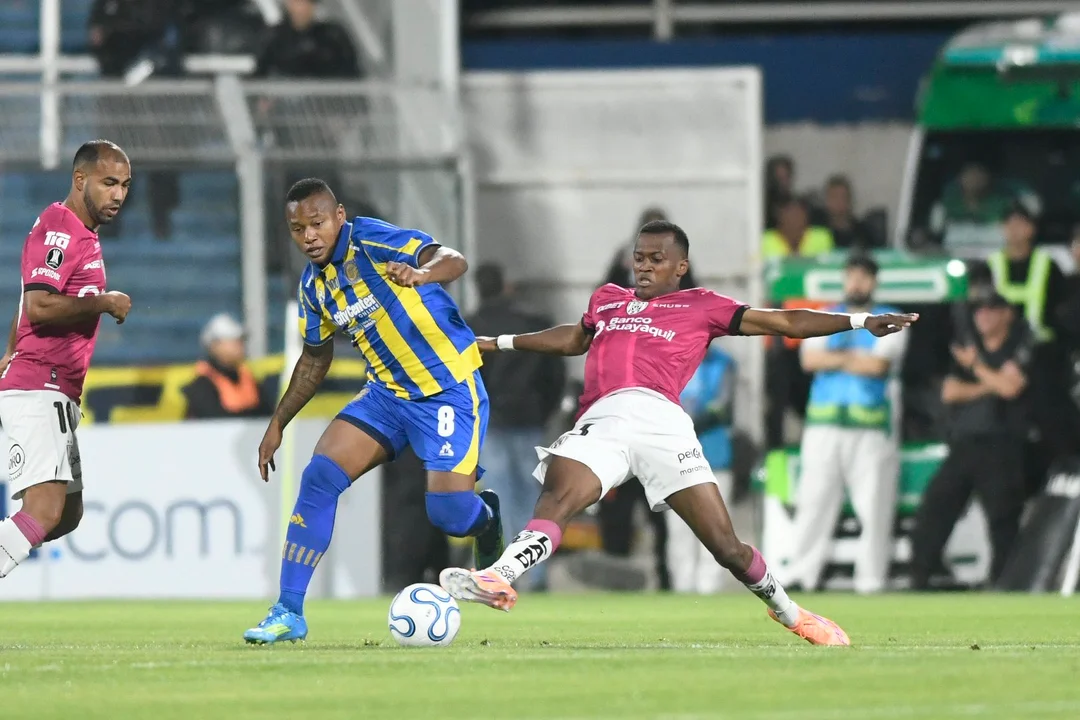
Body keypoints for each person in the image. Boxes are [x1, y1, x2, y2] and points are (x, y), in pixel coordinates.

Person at [439, 220, 918, 646]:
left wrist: (859, 321)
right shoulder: (607, 299)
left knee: (727, 548)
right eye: (639, 258)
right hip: (604, 420)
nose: (644, 267)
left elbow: (784, 321)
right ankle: (499, 576)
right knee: (559, 496)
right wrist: (496, 343)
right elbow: (574, 339)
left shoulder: (702, 306)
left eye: (656, 259)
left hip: (663, 424)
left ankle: (793, 614)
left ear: (680, 267)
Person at [243, 178, 504, 644]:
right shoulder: (314, 287)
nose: (309, 237)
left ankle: (486, 519)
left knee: (449, 515)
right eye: (298, 229)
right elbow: (314, 360)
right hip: (386, 397)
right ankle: (288, 611)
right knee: (319, 477)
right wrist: (278, 423)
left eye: (317, 223)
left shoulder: (371, 239)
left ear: (339, 216)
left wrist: (422, 274)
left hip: (447, 390)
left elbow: (454, 260)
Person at [0, 140, 133, 578]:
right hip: (39, 386)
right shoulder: (61, 230)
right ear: (80, 180)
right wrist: (103, 302)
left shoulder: (79, 231)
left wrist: (10, 348)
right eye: (108, 183)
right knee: (43, 510)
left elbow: (28, 296)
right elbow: (39, 305)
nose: (118, 194)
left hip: (54, 389)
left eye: (125, 185)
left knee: (67, 513)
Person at [780, 254, 907, 594]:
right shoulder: (824, 316)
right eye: (852, 275)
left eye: (864, 276)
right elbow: (810, 360)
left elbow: (878, 366)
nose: (857, 283)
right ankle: (802, 575)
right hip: (824, 425)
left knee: (874, 507)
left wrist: (834, 360)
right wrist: (855, 359)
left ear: (874, 282)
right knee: (813, 502)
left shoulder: (890, 319)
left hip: (870, 427)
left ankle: (871, 580)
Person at [909, 292, 1032, 589]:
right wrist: (991, 381)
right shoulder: (969, 347)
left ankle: (1005, 583)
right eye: (979, 311)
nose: (983, 316)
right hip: (964, 442)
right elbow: (950, 392)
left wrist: (977, 369)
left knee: (1002, 518)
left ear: (1007, 314)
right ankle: (919, 578)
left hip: (1002, 444)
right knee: (935, 507)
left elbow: (1011, 388)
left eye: (991, 309)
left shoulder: (1019, 345)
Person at [466, 263, 566, 590]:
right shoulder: (533, 325)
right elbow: (555, 376)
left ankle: (504, 571)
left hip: (492, 423)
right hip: (530, 421)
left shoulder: (470, 327)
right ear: (506, 286)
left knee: (498, 499)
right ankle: (536, 573)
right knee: (534, 500)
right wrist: (544, 411)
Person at [664, 341, 737, 594]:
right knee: (679, 528)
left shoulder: (723, 364)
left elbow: (723, 406)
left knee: (716, 528)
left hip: (714, 456)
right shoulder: (669, 361)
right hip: (675, 458)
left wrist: (687, 421)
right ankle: (682, 588)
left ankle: (710, 589)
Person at [182, 313, 274, 419]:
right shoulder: (201, 385)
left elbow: (267, 411)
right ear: (215, 345)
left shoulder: (248, 378)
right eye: (233, 341)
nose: (240, 345)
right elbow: (213, 418)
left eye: (240, 341)